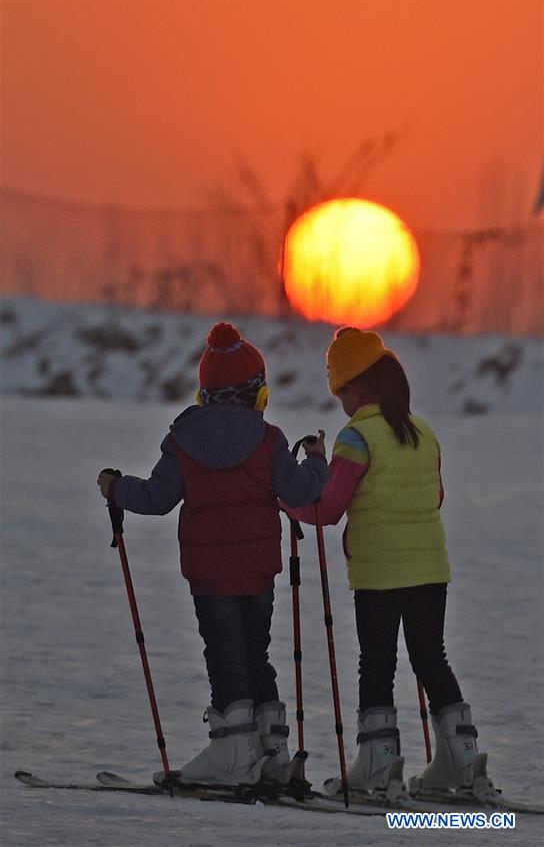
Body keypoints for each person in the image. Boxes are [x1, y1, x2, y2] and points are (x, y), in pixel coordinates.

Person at [97, 321, 327, 788]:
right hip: (259, 572)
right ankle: (272, 750)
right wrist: (318, 460)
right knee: (255, 654)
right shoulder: (269, 441)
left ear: (205, 394)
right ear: (255, 393)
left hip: (209, 575)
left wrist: (116, 488)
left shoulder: (183, 441)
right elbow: (301, 490)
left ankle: (233, 754)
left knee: (224, 655)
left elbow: (157, 499)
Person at [285, 326, 492, 798]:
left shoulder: (355, 437)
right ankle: (463, 760)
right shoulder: (425, 432)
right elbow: (434, 497)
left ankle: (378, 764)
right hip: (430, 569)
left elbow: (328, 509)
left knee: (376, 663)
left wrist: (289, 499)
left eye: (340, 392)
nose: (340, 402)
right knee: (430, 657)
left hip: (379, 572)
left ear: (356, 388)